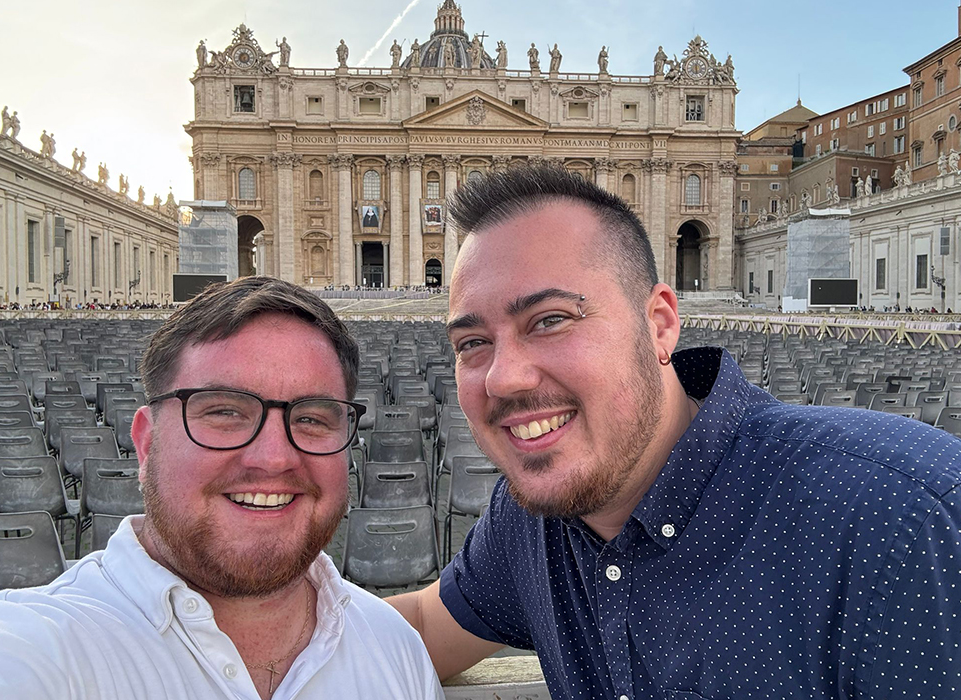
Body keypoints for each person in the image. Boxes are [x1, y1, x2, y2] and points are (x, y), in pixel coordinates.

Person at [389, 166, 961, 699]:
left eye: (551, 320)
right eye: (471, 343)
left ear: (660, 325)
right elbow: (420, 626)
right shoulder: (528, 523)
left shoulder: (901, 523)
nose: (504, 377)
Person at [0, 277, 444, 700]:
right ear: (147, 444)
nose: (274, 457)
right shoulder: (35, 648)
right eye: (224, 412)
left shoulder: (396, 649)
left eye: (312, 418)